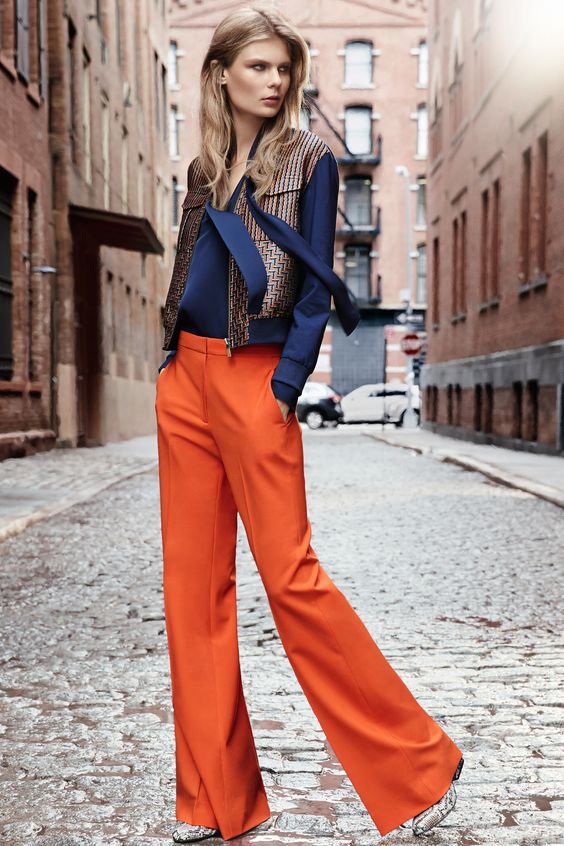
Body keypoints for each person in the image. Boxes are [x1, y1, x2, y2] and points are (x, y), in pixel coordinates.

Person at [155, 5, 464, 843]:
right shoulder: (200, 171)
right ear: (222, 73)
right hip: (185, 379)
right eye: (258, 67)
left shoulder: (310, 157)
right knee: (192, 591)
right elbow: (194, 265)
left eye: (283, 69)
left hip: (257, 379)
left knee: (290, 578)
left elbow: (318, 281)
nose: (275, 81)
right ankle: (216, 802)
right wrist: (167, 364)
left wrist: (288, 384)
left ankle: (419, 764)